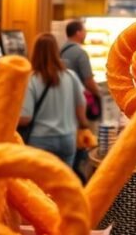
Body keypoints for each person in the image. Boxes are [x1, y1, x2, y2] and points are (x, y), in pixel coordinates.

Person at [19, 34, 87, 167]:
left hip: (40, 140)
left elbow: (26, 117)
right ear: (56, 51)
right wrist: (84, 125)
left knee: (39, 184)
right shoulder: (70, 76)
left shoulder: (31, 79)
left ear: (35, 52)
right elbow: (80, 106)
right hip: (67, 138)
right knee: (64, 182)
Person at [61, 20, 102, 106]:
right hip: (78, 101)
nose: (85, 34)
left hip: (63, 98)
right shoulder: (81, 53)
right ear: (78, 33)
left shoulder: (60, 51)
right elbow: (88, 81)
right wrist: (99, 93)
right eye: (84, 31)